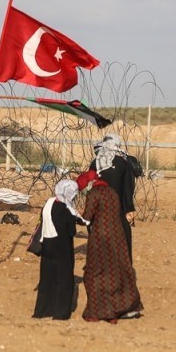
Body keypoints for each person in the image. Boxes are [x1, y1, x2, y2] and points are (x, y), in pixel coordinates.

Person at [78, 170, 143, 323]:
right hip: (117, 237)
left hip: (100, 238)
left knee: (95, 274)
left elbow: (87, 218)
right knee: (115, 272)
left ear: (90, 183)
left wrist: (73, 216)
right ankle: (117, 311)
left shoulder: (94, 194)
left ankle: (96, 313)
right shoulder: (112, 192)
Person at [33, 179, 88, 320]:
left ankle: (41, 311)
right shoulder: (66, 209)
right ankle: (60, 313)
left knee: (46, 278)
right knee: (64, 279)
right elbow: (71, 231)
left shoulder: (48, 203)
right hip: (62, 248)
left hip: (47, 245)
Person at [88, 133, 140, 261]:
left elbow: (90, 188)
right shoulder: (123, 162)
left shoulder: (95, 163)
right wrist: (129, 209)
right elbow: (128, 189)